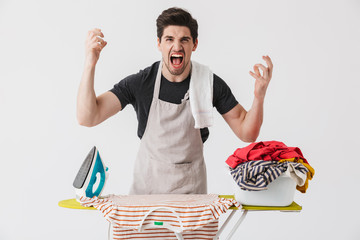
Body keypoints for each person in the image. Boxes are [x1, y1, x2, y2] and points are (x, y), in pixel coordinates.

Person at [77, 7, 273, 195]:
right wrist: (89, 63)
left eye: (184, 40)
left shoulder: (208, 83)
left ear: (194, 44)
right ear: (159, 43)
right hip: (146, 198)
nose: (177, 46)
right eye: (169, 39)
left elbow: (247, 132)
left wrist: (259, 96)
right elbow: (88, 117)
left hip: (191, 201)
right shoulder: (141, 82)